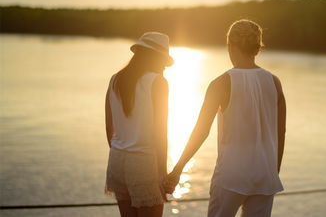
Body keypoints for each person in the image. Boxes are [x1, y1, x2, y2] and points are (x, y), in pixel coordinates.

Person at [165, 19, 286, 217]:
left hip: (232, 175)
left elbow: (201, 131)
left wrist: (177, 170)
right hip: (265, 175)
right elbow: (281, 132)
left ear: (230, 45)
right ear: (257, 48)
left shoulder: (221, 83)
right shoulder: (274, 82)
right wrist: (273, 170)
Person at [105, 32, 174, 217]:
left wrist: (121, 149)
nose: (164, 68)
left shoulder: (115, 79)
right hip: (144, 162)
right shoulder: (158, 82)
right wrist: (162, 173)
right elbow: (160, 132)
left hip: (117, 160)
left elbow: (108, 128)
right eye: (163, 62)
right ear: (156, 57)